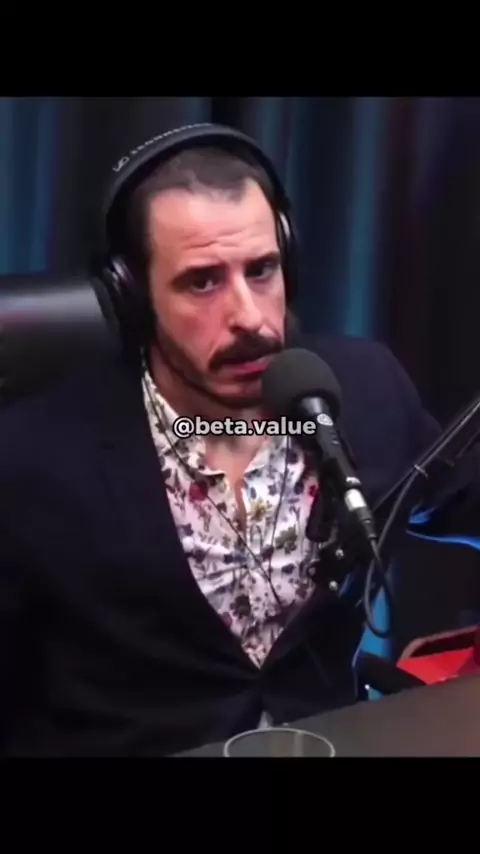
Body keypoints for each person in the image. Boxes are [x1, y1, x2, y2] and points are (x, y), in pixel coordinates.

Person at [0, 124, 477, 757]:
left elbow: (457, 500)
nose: (250, 317)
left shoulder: (365, 388)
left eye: (262, 270)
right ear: (133, 298)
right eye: (202, 282)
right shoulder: (34, 458)